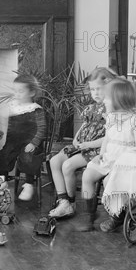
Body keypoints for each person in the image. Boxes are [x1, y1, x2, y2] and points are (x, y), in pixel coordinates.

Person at [76, 78, 136, 232]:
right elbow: (107, 139)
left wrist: (131, 163)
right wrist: (100, 154)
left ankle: (117, 216)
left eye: (107, 98)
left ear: (118, 101)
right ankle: (89, 215)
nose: (104, 101)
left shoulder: (134, 121)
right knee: (87, 176)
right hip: (108, 158)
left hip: (123, 163)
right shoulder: (111, 118)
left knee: (109, 182)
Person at [48, 67, 117, 218]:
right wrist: (76, 138)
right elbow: (85, 126)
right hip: (82, 146)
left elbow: (110, 137)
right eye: (92, 90)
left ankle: (71, 202)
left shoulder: (111, 110)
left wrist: (89, 145)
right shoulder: (91, 108)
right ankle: (63, 201)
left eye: (99, 89)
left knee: (67, 166)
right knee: (54, 161)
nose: (95, 93)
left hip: (95, 150)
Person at [0, 74, 47, 201]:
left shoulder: (36, 109)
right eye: (15, 91)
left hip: (30, 143)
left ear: (32, 92)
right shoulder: (13, 108)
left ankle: (28, 184)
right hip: (13, 142)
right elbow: (4, 125)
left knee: (28, 157)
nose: (16, 94)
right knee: (4, 155)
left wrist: (34, 143)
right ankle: (2, 181)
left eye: (21, 91)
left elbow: (42, 128)